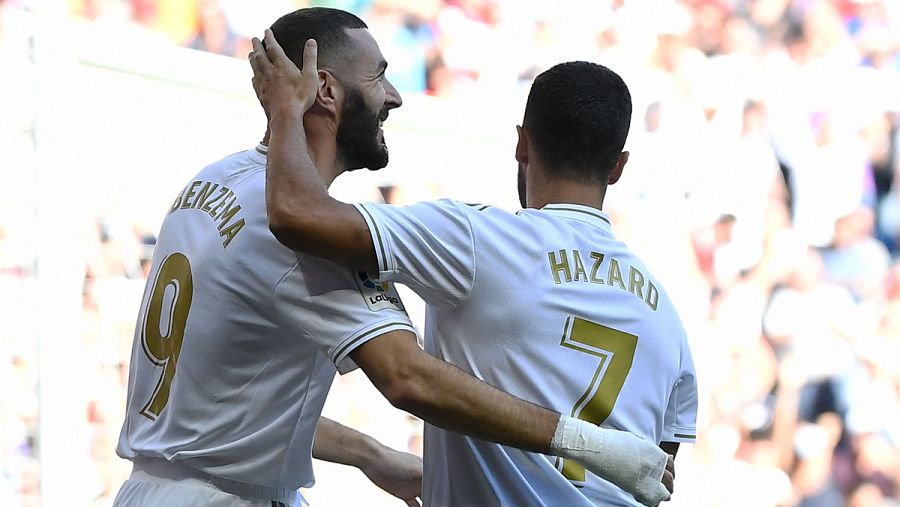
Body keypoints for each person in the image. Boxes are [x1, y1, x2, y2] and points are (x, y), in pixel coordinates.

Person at [114, 8, 674, 507]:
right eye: (379, 76)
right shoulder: (303, 232)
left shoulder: (212, 184)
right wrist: (593, 445)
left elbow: (225, 410)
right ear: (324, 92)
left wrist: (372, 455)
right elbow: (408, 378)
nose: (395, 96)